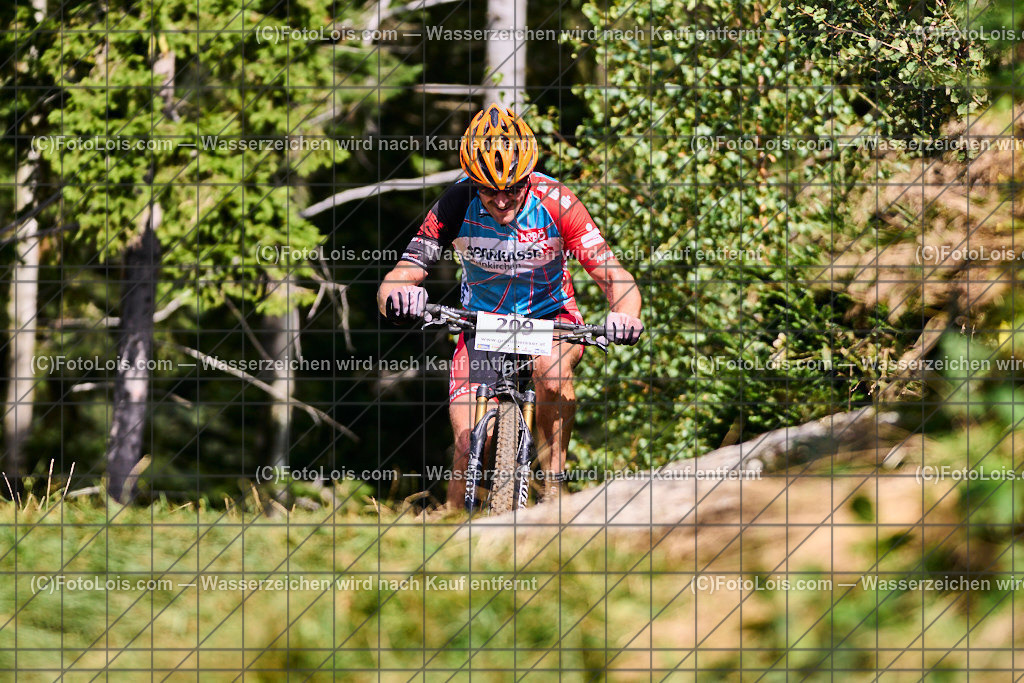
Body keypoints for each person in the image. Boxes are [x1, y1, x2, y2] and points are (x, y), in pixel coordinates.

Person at [377, 104, 643, 507]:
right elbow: (399, 276)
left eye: (513, 188)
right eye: (488, 189)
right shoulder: (456, 203)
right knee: (467, 447)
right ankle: (452, 535)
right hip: (482, 325)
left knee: (551, 374)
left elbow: (615, 277)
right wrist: (399, 297)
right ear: (472, 181)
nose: (501, 201)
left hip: (552, 321)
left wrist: (625, 314)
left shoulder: (557, 201)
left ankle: (554, 491)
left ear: (529, 178)